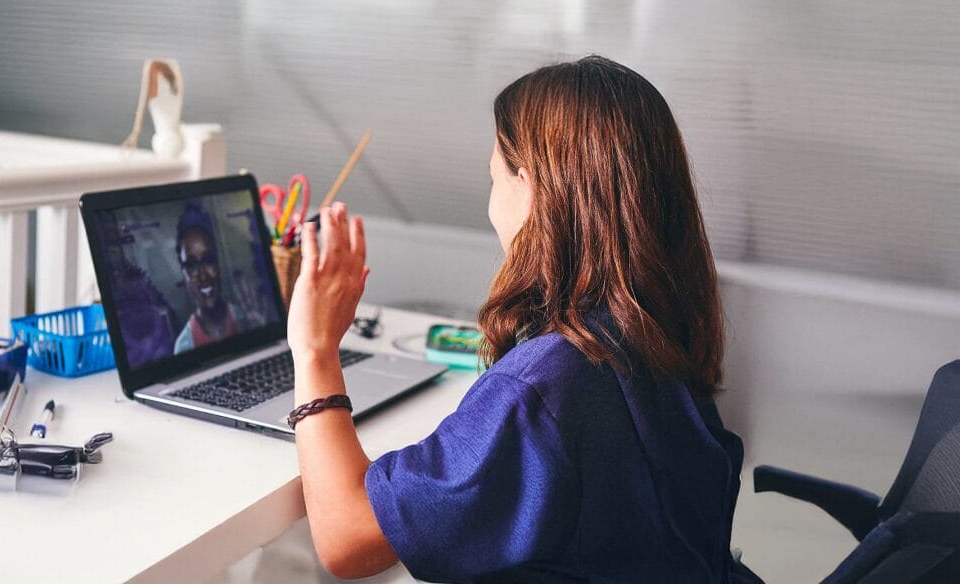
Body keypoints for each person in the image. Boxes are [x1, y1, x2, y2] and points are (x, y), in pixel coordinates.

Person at [285, 55, 760, 583]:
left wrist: (315, 349)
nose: (491, 203)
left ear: (530, 189)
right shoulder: (656, 328)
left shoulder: (544, 387)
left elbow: (346, 538)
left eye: (494, 178)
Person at [172, 203, 249, 354]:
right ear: (183, 275)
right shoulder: (183, 347)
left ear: (218, 263)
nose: (202, 275)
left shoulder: (246, 319)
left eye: (208, 260)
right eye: (192, 265)